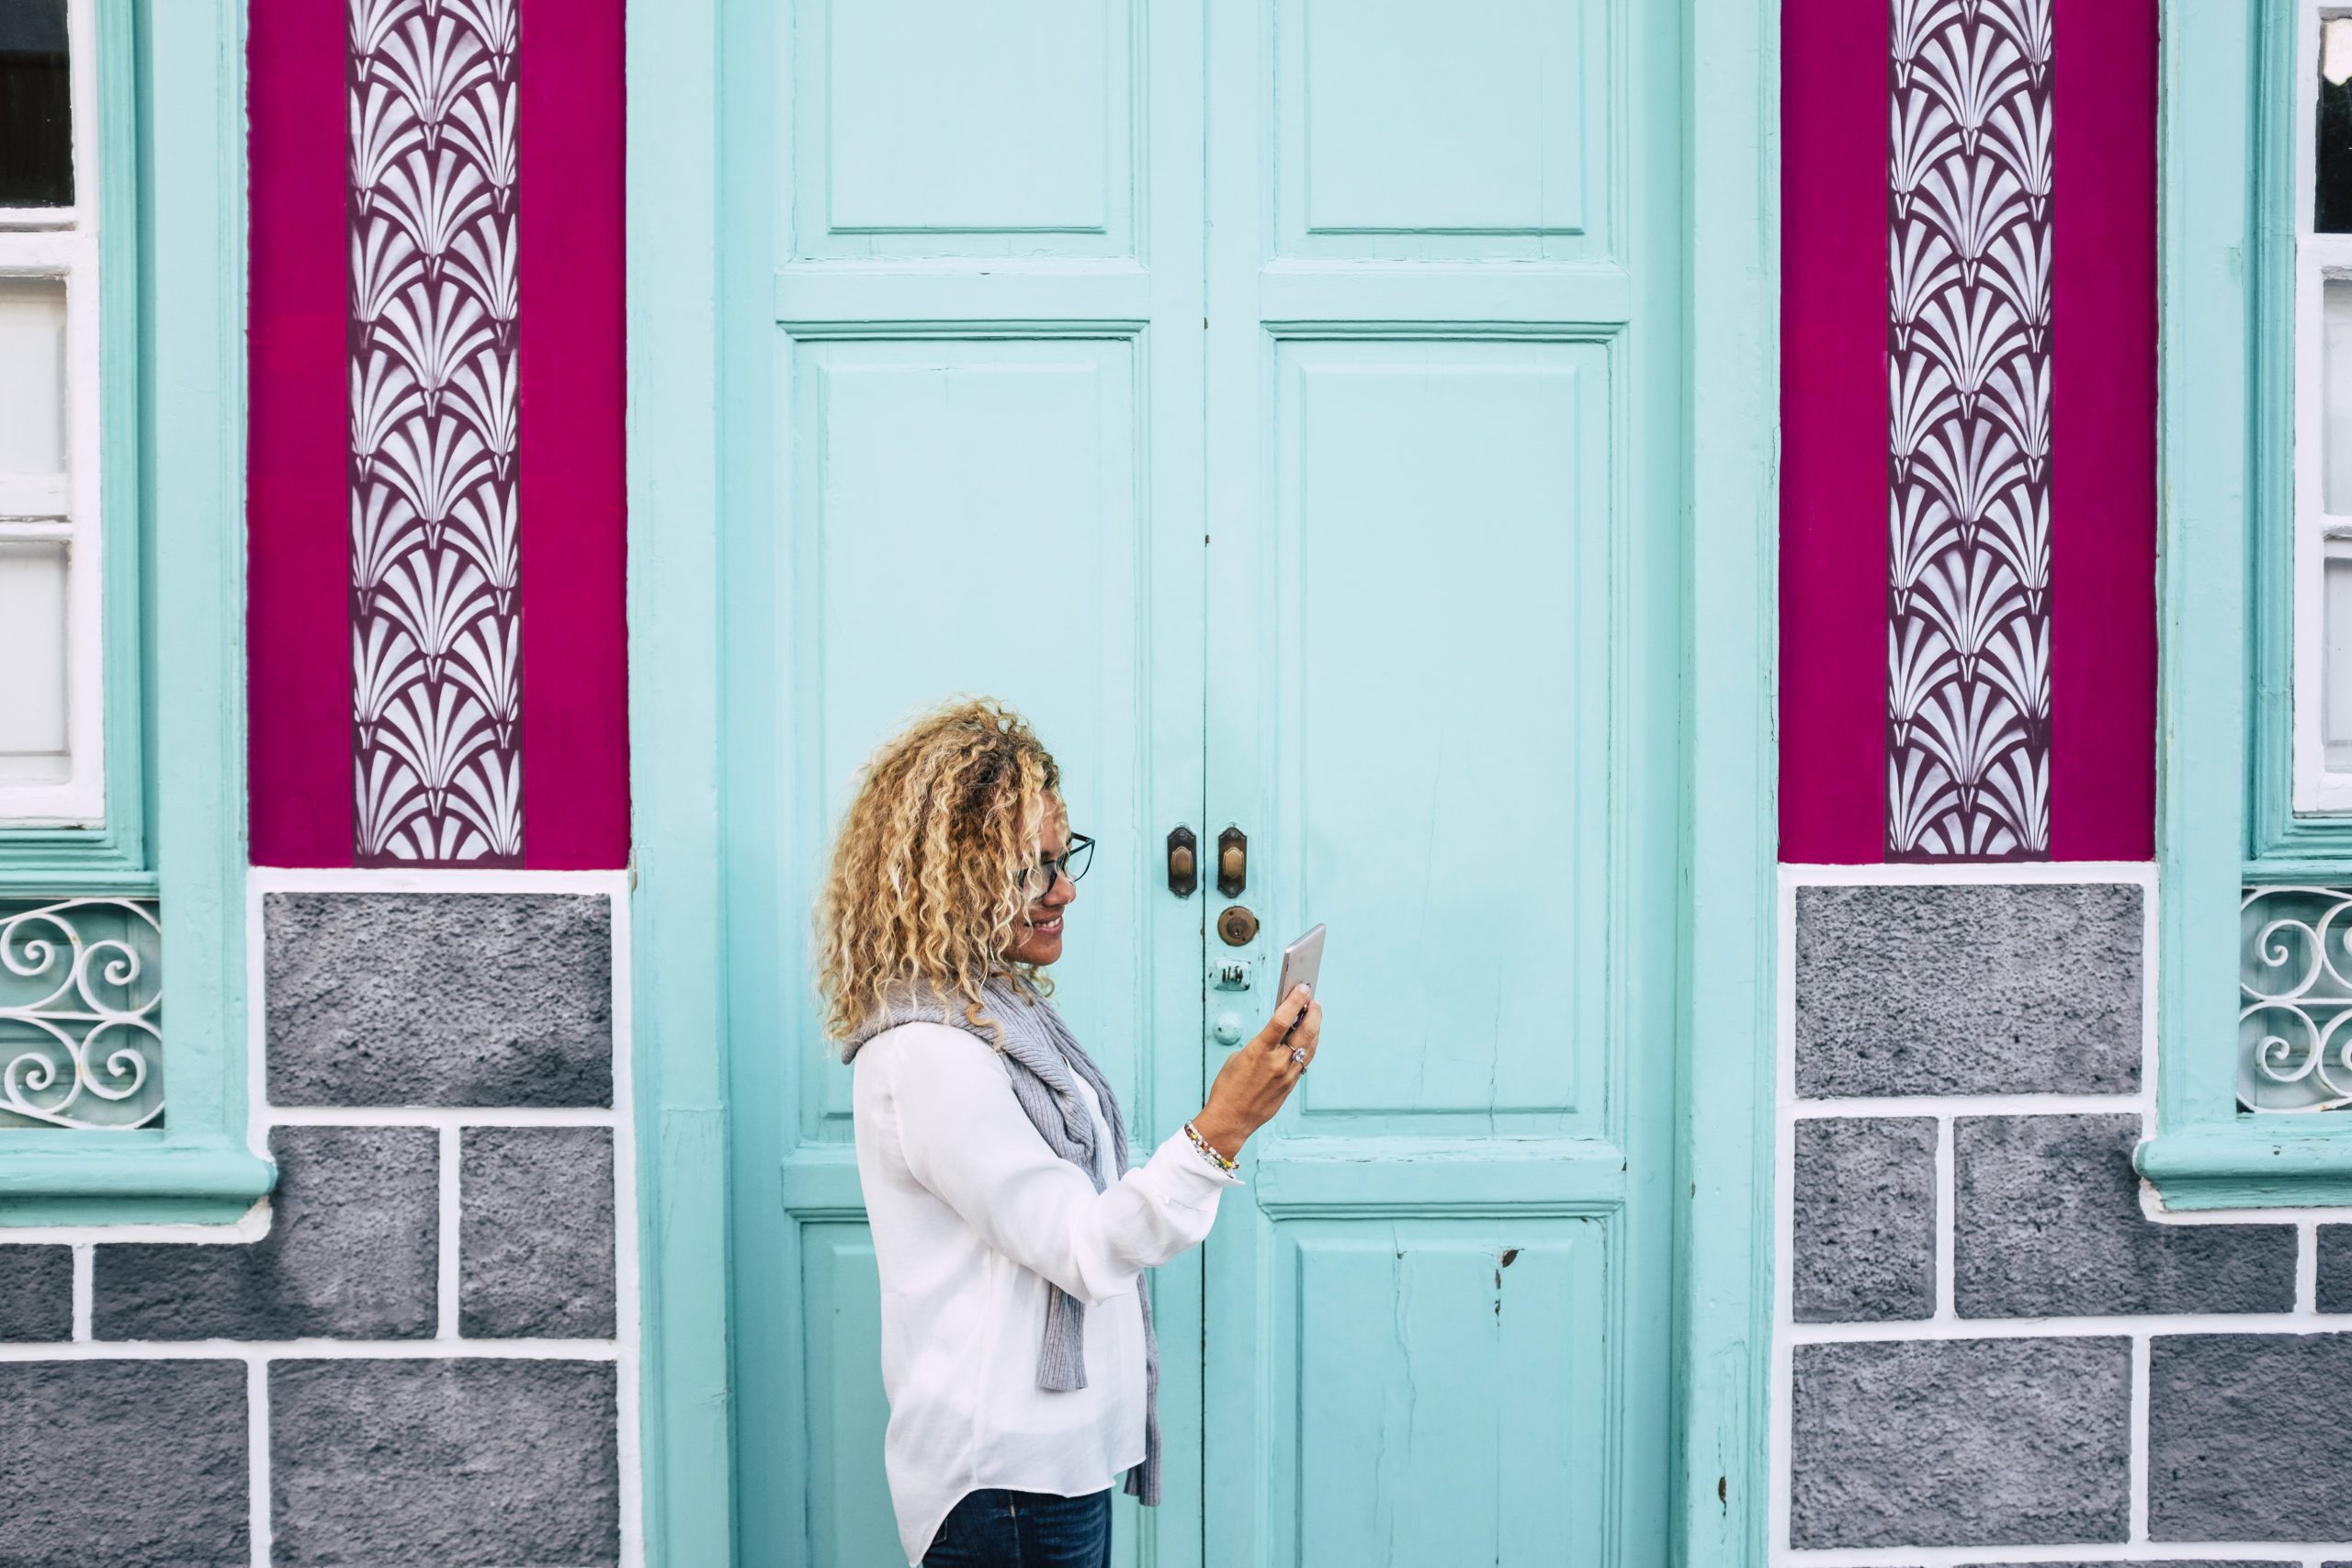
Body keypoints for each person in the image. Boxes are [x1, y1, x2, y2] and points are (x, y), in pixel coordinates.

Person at [820, 698, 1323, 1568]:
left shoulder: (996, 1013)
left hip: (1047, 1468)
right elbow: (1084, 1245)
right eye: (1033, 869)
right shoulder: (931, 1055)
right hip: (1008, 1487)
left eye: (1063, 858)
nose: (1065, 889)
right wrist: (1222, 1127)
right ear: (955, 878)